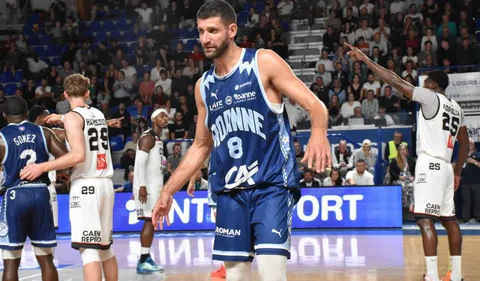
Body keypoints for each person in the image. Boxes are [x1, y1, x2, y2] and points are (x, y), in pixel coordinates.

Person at [151, 1, 332, 280]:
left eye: (213, 30)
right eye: (201, 31)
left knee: (272, 275)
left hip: (271, 187)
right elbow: (201, 146)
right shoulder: (204, 87)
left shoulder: (263, 62)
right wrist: (168, 190)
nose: (205, 38)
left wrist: (318, 133)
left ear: (231, 30)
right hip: (229, 195)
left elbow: (315, 105)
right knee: (235, 277)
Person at [346, 42, 469, 281]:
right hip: (446, 167)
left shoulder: (431, 97)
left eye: (427, 82)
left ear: (434, 85)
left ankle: (432, 277)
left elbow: (393, 81)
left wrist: (367, 60)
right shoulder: (457, 107)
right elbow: (466, 145)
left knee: (424, 219)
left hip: (430, 164)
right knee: (450, 220)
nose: (423, 85)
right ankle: (457, 276)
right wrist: (457, 172)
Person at [20, 74, 119, 281]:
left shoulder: (73, 117)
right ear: (88, 93)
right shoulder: (99, 114)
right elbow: (81, 125)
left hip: (86, 186)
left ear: (65, 95)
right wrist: (62, 118)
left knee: (89, 252)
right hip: (106, 184)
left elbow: (78, 155)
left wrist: (42, 167)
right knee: (105, 250)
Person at [0, 96, 68, 281]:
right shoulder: (44, 133)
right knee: (46, 259)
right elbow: (67, 158)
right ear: (27, 114)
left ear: (4, 115)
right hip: (41, 193)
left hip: (15, 195)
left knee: (11, 261)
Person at [133, 108, 168, 274]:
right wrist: (141, 187)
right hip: (146, 187)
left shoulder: (157, 138)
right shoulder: (147, 137)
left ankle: (145, 257)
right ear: (154, 120)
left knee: (151, 221)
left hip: (154, 186)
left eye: (166, 116)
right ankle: (143, 260)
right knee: (149, 220)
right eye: (162, 116)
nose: (166, 118)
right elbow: (139, 163)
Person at [27, 106, 66, 231]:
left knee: (30, 230)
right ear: (39, 118)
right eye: (47, 115)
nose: (50, 117)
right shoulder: (50, 133)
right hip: (46, 186)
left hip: (24, 187)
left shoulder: (19, 133)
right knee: (48, 230)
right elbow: (75, 131)